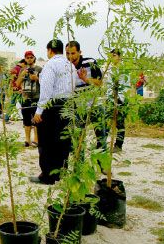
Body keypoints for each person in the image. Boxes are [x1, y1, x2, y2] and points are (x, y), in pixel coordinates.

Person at [31, 39, 78, 185]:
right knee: (63, 141)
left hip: (52, 107)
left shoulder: (50, 65)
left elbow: (46, 90)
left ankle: (47, 175)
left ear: (50, 50)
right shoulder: (70, 65)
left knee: (46, 142)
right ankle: (61, 173)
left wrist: (39, 111)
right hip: (68, 105)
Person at [65, 41, 106, 150]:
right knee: (78, 140)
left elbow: (100, 82)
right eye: (67, 53)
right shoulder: (66, 66)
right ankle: (79, 164)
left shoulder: (90, 62)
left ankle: (103, 166)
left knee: (101, 138)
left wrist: (86, 79)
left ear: (79, 52)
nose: (70, 57)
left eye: (73, 53)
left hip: (95, 105)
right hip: (78, 108)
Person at [105, 49, 130, 152]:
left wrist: (119, 99)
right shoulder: (110, 69)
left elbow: (124, 86)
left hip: (120, 99)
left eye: (114, 55)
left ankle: (118, 145)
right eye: (111, 56)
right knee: (106, 122)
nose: (112, 58)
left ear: (119, 57)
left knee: (119, 123)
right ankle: (101, 144)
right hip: (110, 99)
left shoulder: (123, 69)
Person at [15, 50, 42, 147]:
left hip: (36, 97)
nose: (29, 59)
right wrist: (22, 75)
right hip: (25, 98)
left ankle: (36, 139)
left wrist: (37, 78)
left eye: (31, 57)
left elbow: (45, 83)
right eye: (27, 58)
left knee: (36, 120)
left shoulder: (39, 69)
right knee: (26, 120)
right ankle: (27, 140)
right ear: (25, 59)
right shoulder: (22, 70)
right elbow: (17, 84)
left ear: (34, 58)